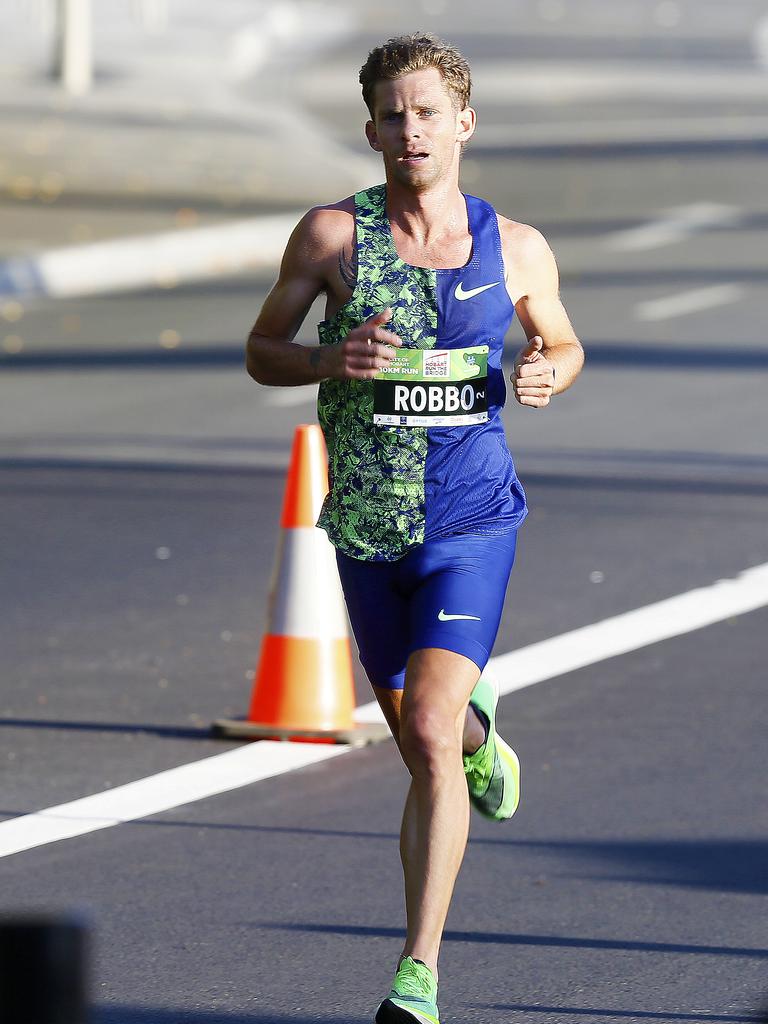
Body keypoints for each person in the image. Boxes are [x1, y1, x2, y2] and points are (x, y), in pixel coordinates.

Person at [246, 33, 584, 1024]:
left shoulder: (513, 245)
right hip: (367, 524)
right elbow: (264, 349)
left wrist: (546, 371)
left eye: (428, 112)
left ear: (464, 124)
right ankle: (484, 735)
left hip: (471, 518)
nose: (411, 130)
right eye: (393, 115)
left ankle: (417, 975)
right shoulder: (331, 239)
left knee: (426, 730)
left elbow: (560, 340)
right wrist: (325, 361)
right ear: (371, 130)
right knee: (427, 735)